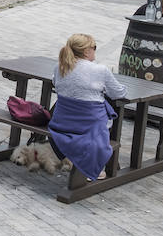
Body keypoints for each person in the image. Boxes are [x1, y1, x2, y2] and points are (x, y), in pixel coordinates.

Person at [48, 33, 125, 180]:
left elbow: (55, 83)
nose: (95, 50)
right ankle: (93, 168)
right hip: (89, 126)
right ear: (86, 51)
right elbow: (118, 93)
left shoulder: (59, 67)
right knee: (106, 119)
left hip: (61, 124)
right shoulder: (100, 70)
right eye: (94, 47)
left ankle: (79, 162)